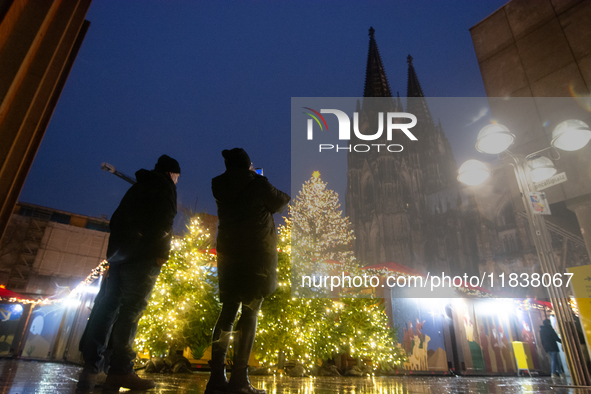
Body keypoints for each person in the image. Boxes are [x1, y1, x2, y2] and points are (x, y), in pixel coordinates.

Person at [77, 155, 180, 391]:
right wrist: (161, 254)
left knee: (107, 307)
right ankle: (121, 370)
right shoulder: (165, 187)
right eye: (177, 177)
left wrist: (117, 252)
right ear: (172, 174)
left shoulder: (138, 186)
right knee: (131, 310)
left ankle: (91, 366)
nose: (177, 181)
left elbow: (116, 220)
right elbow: (165, 221)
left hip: (119, 257)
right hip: (143, 258)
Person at [206, 148, 290, 394]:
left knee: (228, 312)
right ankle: (239, 379)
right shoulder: (257, 184)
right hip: (256, 259)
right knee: (250, 313)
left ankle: (216, 378)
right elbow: (283, 201)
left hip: (230, 257)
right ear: (247, 166)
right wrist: (259, 177)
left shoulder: (220, 186)